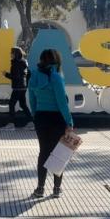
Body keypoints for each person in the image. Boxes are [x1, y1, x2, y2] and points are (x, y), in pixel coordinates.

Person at [28, 49, 74, 198]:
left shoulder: (34, 76)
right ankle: (56, 189)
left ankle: (40, 188)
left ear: (41, 60)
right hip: (57, 118)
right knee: (59, 152)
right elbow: (62, 102)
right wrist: (69, 121)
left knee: (43, 152)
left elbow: (32, 99)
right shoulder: (56, 77)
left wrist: (35, 115)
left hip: (41, 117)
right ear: (56, 61)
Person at [3, 47, 31, 129]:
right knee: (23, 104)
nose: (10, 54)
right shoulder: (24, 62)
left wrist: (6, 74)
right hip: (23, 87)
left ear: (15, 54)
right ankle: (31, 122)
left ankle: (11, 124)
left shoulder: (15, 64)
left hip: (17, 88)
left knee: (11, 104)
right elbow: (28, 74)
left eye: (11, 53)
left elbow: (15, 77)